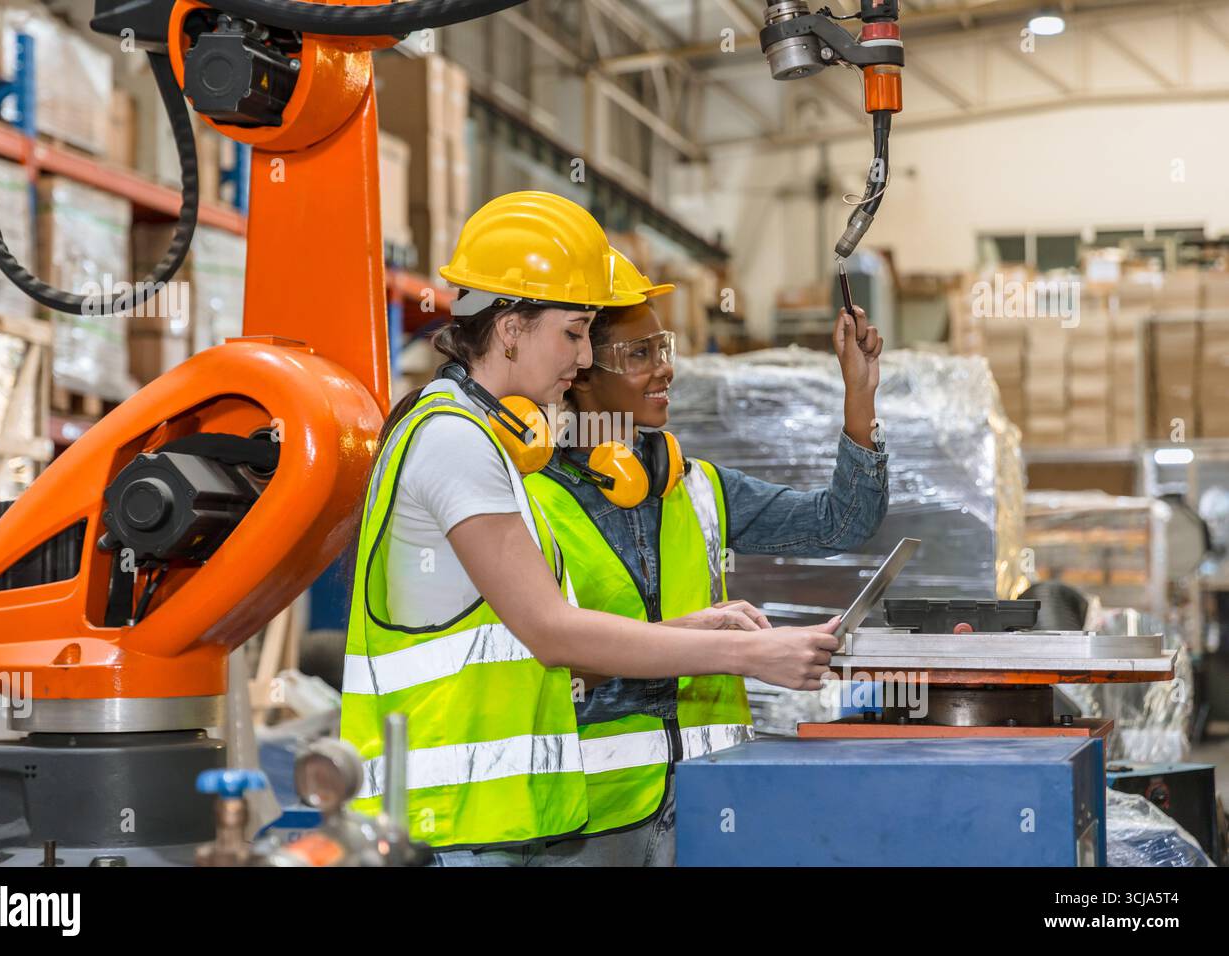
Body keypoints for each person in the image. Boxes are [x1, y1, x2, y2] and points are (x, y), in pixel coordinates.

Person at [340, 192, 845, 866]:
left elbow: (529, 639)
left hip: (486, 823)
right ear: (512, 327)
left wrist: (686, 631)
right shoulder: (454, 442)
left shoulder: (485, 439)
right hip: (450, 830)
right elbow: (551, 632)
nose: (583, 359)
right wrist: (750, 656)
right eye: (573, 332)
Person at [524, 249, 890, 866]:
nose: (664, 370)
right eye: (639, 355)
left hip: (711, 800)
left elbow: (841, 521)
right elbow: (542, 670)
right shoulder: (528, 504)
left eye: (662, 348)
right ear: (580, 371)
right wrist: (723, 647)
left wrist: (860, 394)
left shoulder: (693, 486)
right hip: (590, 821)